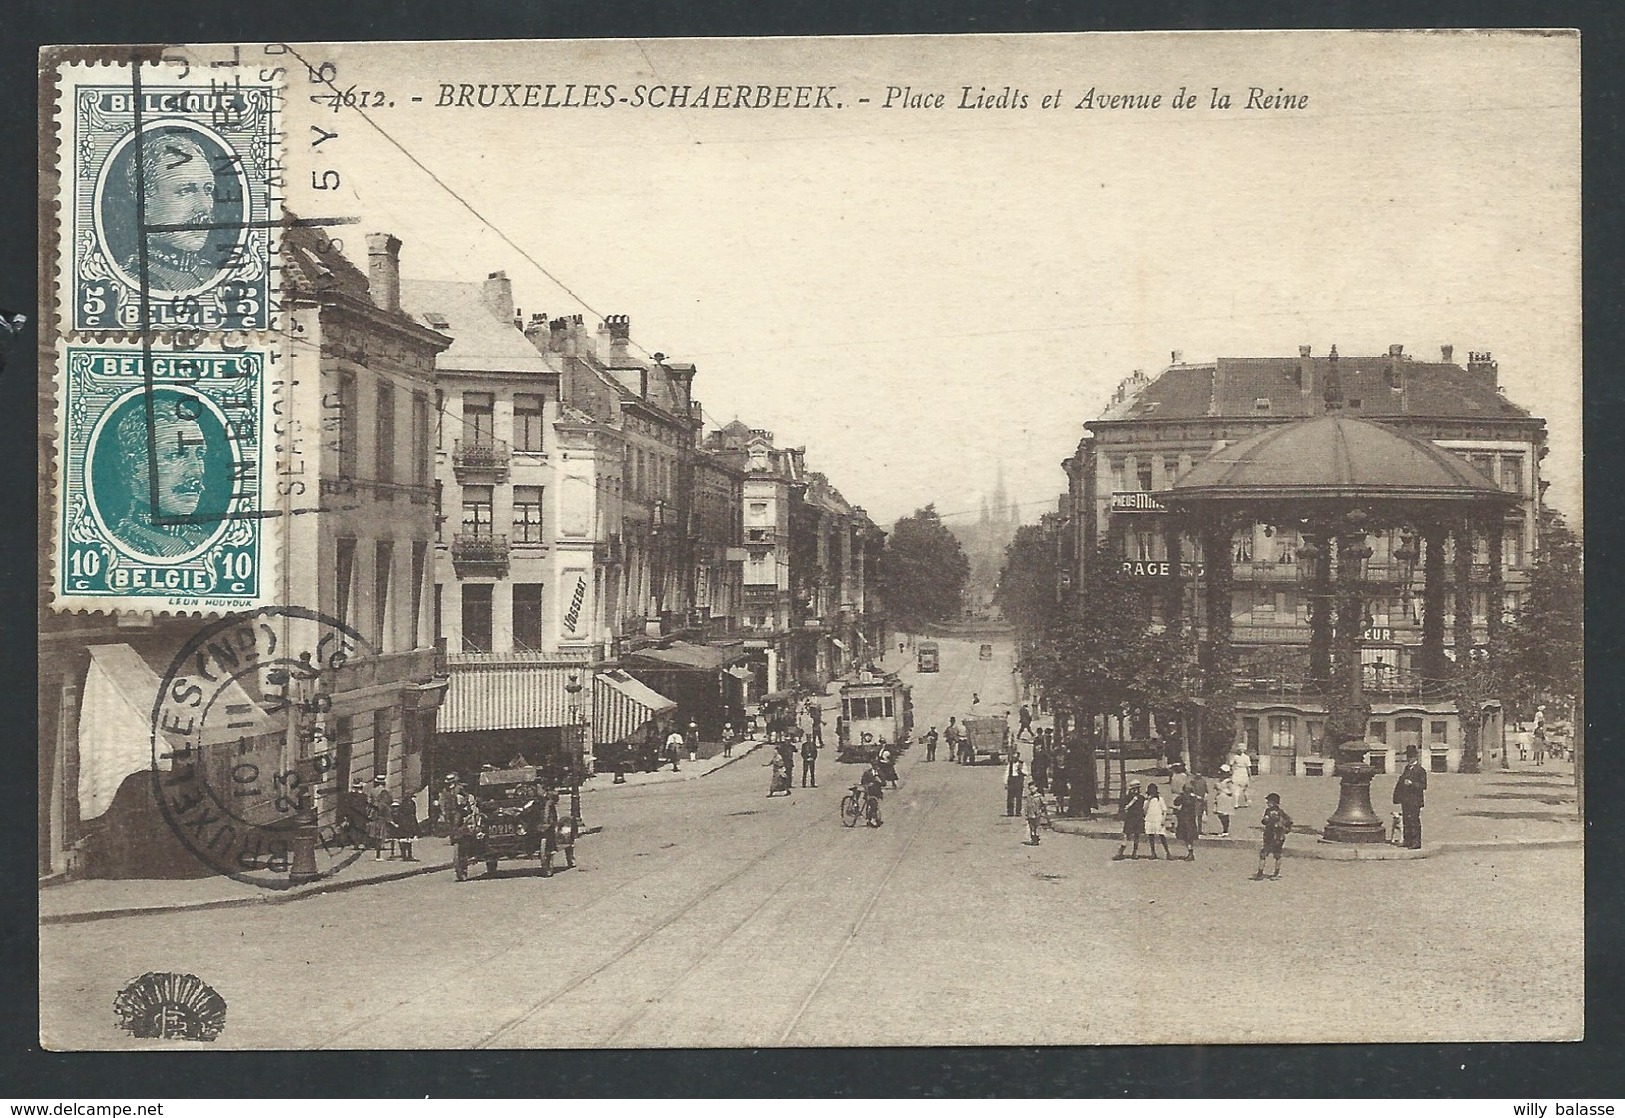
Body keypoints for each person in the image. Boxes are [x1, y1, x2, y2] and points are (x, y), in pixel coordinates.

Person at [109, 402, 217, 558]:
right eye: (176, 455)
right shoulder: (123, 544)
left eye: (199, 455)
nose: (196, 472)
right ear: (135, 467)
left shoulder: (203, 540)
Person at [119, 131, 222, 293]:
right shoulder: (131, 280)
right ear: (145, 203)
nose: (204, 206)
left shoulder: (215, 275)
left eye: (208, 190)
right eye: (186, 190)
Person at [1393, 745, 1428, 849]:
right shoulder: (1407, 768)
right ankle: (1407, 840)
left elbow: (1423, 785)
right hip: (1406, 799)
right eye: (1408, 757)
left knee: (1414, 820)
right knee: (1406, 820)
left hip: (1415, 800)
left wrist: (1412, 783)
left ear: (1415, 757)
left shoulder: (1420, 770)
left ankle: (1416, 842)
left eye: (1411, 757)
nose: (1409, 759)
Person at [1253, 792, 1295, 880]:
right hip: (1276, 835)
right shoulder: (1278, 812)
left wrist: (1269, 821)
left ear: (1273, 802)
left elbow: (1265, 821)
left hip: (1274, 835)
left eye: (1269, 801)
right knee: (1275, 854)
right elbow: (1289, 821)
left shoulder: (1274, 812)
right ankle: (1273, 872)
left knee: (1266, 853)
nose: (1267, 802)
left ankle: (1262, 873)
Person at [1113, 781, 1146, 860]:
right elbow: (1125, 807)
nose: (1135, 791)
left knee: (1137, 835)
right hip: (1130, 818)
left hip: (1138, 818)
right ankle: (1120, 852)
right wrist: (1133, 801)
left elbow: (1144, 808)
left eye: (1136, 789)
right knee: (1126, 835)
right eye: (1133, 789)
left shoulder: (1141, 798)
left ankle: (1134, 853)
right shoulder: (1127, 798)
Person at [1141, 784, 1173, 859]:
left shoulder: (1160, 799)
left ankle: (1168, 853)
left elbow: (1164, 810)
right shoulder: (1146, 801)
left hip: (1158, 820)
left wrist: (1163, 819)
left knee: (1162, 836)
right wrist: (1148, 800)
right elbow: (1144, 811)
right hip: (1150, 819)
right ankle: (1153, 853)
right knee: (1151, 836)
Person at [1172, 781, 1201, 861]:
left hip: (1184, 819)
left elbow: (1176, 803)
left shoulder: (1183, 797)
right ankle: (1190, 852)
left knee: (1186, 837)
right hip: (1191, 819)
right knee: (1189, 838)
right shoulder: (1193, 798)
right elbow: (1201, 800)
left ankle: (1190, 853)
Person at [367, 776, 392, 860]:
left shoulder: (373, 790)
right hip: (384, 812)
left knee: (375, 828)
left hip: (375, 811)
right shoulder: (387, 791)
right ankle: (381, 845)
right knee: (383, 829)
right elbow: (390, 801)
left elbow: (369, 801)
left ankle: (376, 844)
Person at [389, 795, 419, 861]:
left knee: (407, 840)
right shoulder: (409, 804)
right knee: (406, 840)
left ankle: (406, 855)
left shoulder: (406, 804)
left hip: (406, 823)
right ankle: (407, 855)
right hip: (407, 823)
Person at [1022, 779, 1049, 845]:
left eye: (1033, 788)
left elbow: (1044, 804)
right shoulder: (1028, 797)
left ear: (1036, 788)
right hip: (1030, 814)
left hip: (1037, 814)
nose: (1032, 790)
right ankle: (1033, 838)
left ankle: (1036, 838)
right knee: (1032, 827)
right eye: (1030, 789)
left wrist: (1043, 811)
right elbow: (1026, 806)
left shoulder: (1039, 796)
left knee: (1037, 827)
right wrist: (1025, 813)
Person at [1214, 767, 1237, 837]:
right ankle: (1224, 829)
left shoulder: (1228, 781)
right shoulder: (1220, 780)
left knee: (1224, 815)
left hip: (1226, 799)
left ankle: (1225, 830)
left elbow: (1231, 791)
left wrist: (1221, 789)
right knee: (1220, 814)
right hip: (1220, 798)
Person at [1187, 768, 1210, 836]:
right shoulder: (1192, 782)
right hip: (1194, 801)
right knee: (1193, 816)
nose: (1198, 774)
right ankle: (1193, 830)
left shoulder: (1203, 781)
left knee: (1200, 816)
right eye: (1197, 773)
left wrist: (1205, 798)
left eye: (1199, 773)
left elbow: (1206, 791)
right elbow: (1189, 792)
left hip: (1202, 801)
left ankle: (1199, 830)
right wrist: (1196, 796)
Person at [1005, 752, 1026, 816]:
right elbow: (1006, 773)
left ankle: (1018, 812)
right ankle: (1010, 811)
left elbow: (1026, 773)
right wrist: (1006, 782)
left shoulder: (1022, 764)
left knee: (1019, 797)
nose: (1014, 759)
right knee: (1010, 798)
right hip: (1011, 781)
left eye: (1016, 757)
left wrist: (1021, 770)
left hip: (1018, 781)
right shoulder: (1010, 764)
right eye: (1013, 757)